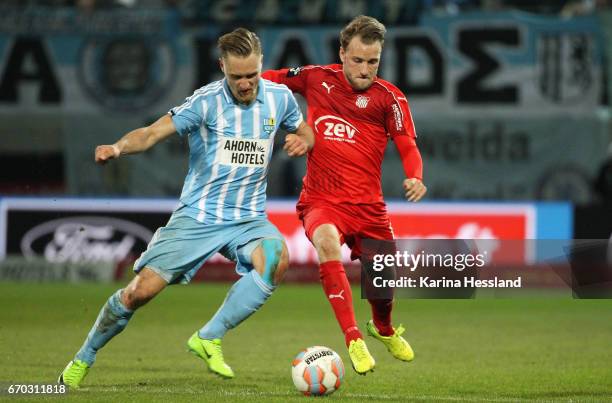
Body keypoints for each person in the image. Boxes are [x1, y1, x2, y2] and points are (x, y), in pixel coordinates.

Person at [58, 28, 314, 388]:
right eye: (236, 76)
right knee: (139, 293)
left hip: (248, 219)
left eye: (252, 75)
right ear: (222, 66)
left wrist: (303, 139)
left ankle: (209, 336)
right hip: (198, 217)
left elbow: (308, 131)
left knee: (276, 258)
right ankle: (84, 356)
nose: (245, 84)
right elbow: (149, 134)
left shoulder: (280, 99)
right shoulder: (205, 103)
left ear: (261, 65)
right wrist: (117, 148)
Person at [262, 15, 426, 374]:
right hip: (322, 200)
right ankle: (353, 338)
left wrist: (415, 177)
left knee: (382, 284)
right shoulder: (316, 78)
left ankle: (381, 328)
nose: (365, 69)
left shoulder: (390, 98)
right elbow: (267, 80)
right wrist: (239, 81)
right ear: (342, 53)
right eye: (357, 60)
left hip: (369, 208)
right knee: (326, 243)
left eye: (373, 62)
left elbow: (408, 147)